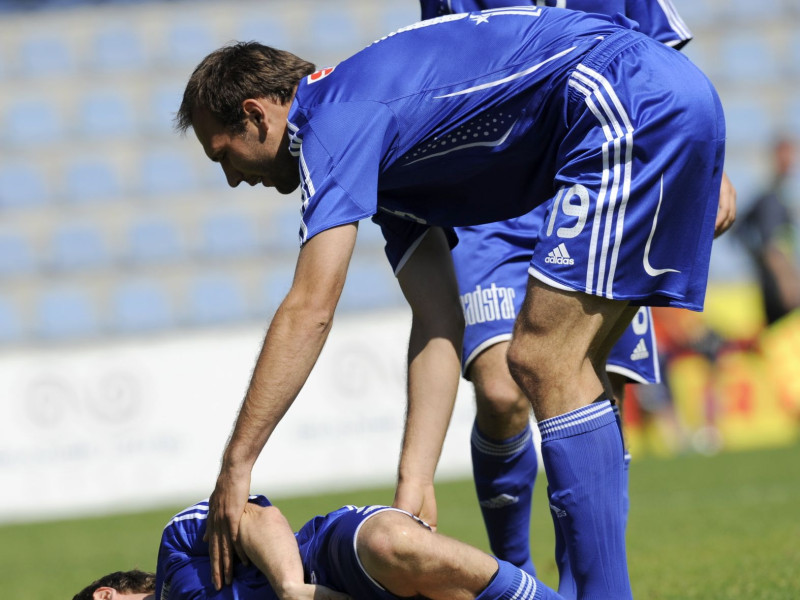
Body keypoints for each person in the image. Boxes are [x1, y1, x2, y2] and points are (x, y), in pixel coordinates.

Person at [174, 7, 727, 598]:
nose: (232, 178)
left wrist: (237, 464)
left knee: (544, 359)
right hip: (646, 96)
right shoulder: (375, 151)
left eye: (222, 153)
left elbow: (311, 308)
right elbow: (439, 319)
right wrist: (415, 481)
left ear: (256, 115)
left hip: (624, 98)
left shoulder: (333, 120)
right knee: (565, 364)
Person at [417, 0, 735, 586]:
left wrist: (705, 165)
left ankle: (580, 585)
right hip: (491, 201)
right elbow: (442, 58)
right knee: (500, 389)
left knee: (595, 384)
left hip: (602, 169)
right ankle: (515, 573)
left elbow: (658, 49)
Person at [73, 494, 564, 600]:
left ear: (105, 596)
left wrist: (292, 588)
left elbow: (252, 516)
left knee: (392, 544)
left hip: (320, 562)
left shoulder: (175, 550)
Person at [737, 136, 799, 326]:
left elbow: (739, 230)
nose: (791, 160)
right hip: (780, 289)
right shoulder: (772, 200)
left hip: (775, 285)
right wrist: (787, 283)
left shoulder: (772, 196)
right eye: (786, 154)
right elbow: (773, 249)